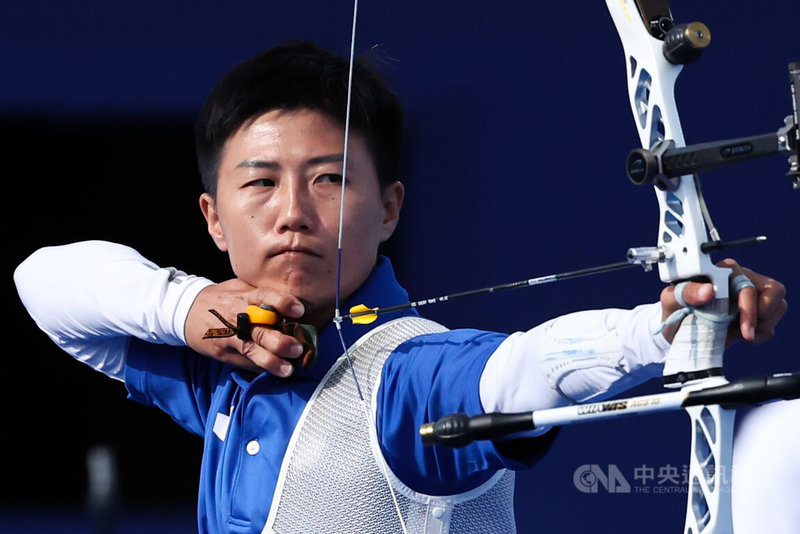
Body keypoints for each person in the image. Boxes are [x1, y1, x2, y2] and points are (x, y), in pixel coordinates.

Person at [14, 42, 787, 534]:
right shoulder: (225, 363)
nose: (292, 214)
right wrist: (182, 307)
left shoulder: (408, 378)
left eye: (329, 179)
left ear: (388, 210)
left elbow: (517, 369)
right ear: (214, 219)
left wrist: (667, 325)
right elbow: (41, 284)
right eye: (260, 183)